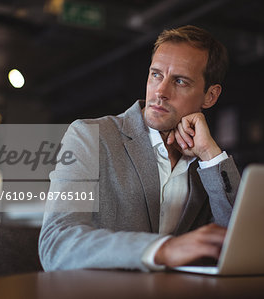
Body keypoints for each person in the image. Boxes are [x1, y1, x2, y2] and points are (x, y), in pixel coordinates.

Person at [39, 25, 241, 271]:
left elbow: (238, 244)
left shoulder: (206, 163)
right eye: (156, 75)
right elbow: (56, 244)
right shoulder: (90, 136)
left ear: (210, 96)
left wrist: (210, 156)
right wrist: (163, 250)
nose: (161, 91)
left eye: (179, 81)